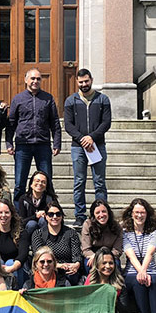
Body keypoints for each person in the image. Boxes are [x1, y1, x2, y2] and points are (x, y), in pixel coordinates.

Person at [64, 68, 112, 225]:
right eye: (81, 82)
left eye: (86, 81)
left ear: (91, 80)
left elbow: (106, 123)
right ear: (77, 82)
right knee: (79, 181)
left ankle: (101, 214)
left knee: (99, 181)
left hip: (97, 145)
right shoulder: (71, 100)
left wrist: (92, 137)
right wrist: (82, 139)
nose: (84, 84)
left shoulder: (102, 99)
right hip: (78, 147)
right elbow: (69, 125)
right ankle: (80, 215)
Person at [6, 68, 61, 201]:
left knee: (47, 181)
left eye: (38, 79)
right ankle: (18, 215)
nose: (35, 81)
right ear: (26, 80)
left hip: (43, 145)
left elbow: (54, 122)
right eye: (32, 78)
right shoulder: (18, 99)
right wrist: (9, 143)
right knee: (20, 182)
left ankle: (50, 210)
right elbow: (11, 122)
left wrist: (57, 143)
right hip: (22, 146)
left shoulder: (48, 98)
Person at [122, 198, 156, 313]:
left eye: (142, 212)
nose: (139, 215)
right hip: (132, 270)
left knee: (153, 280)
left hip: (150, 268)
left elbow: (150, 253)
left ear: (147, 214)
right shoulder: (125, 232)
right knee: (137, 281)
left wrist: (144, 270)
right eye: (136, 212)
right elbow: (130, 254)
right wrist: (140, 272)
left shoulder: (154, 232)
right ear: (131, 214)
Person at [30, 202, 83, 285]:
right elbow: (38, 256)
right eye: (51, 214)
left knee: (73, 275)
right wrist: (57, 265)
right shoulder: (38, 234)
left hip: (67, 270)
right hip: (46, 268)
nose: (55, 217)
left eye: (58, 214)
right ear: (46, 216)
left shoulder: (71, 233)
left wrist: (76, 265)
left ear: (62, 216)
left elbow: (77, 255)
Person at [0, 198, 30, 288]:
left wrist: (11, 268)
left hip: (16, 269)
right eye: (0, 212)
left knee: (10, 262)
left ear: (11, 214)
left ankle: (15, 292)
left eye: (7, 212)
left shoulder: (21, 233)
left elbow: (23, 255)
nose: (3, 215)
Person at [80, 199, 122, 272]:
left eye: (104, 211)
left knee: (116, 265)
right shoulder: (88, 224)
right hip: (92, 255)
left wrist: (105, 258)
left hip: (111, 255)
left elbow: (117, 250)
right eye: (97, 213)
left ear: (108, 212)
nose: (101, 215)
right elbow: (86, 249)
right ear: (94, 215)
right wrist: (96, 257)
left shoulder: (116, 226)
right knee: (88, 265)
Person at [17, 170, 57, 238]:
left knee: (42, 220)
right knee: (32, 224)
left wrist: (47, 214)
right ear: (31, 184)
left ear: (46, 186)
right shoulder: (23, 199)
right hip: (28, 230)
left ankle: (46, 242)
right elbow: (21, 221)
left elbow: (58, 216)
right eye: (37, 181)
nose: (40, 184)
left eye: (43, 182)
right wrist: (35, 216)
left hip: (46, 229)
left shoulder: (50, 199)